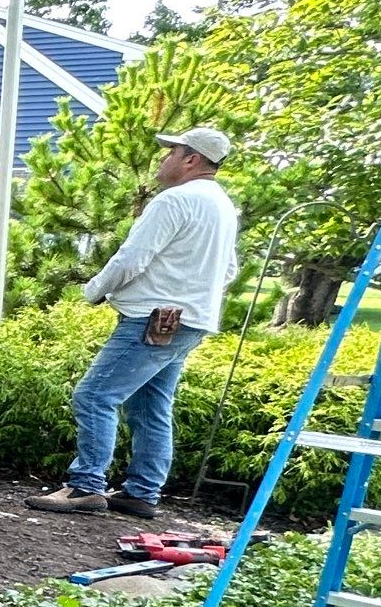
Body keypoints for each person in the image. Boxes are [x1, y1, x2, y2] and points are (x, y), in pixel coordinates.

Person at [26, 126, 241, 520]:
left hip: (154, 319)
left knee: (94, 396)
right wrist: (189, 294)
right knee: (151, 404)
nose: (164, 158)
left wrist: (94, 291)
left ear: (191, 159)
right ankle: (141, 492)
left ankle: (84, 486)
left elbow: (131, 259)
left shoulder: (174, 201)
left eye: (171, 152)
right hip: (191, 320)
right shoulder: (223, 206)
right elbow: (228, 270)